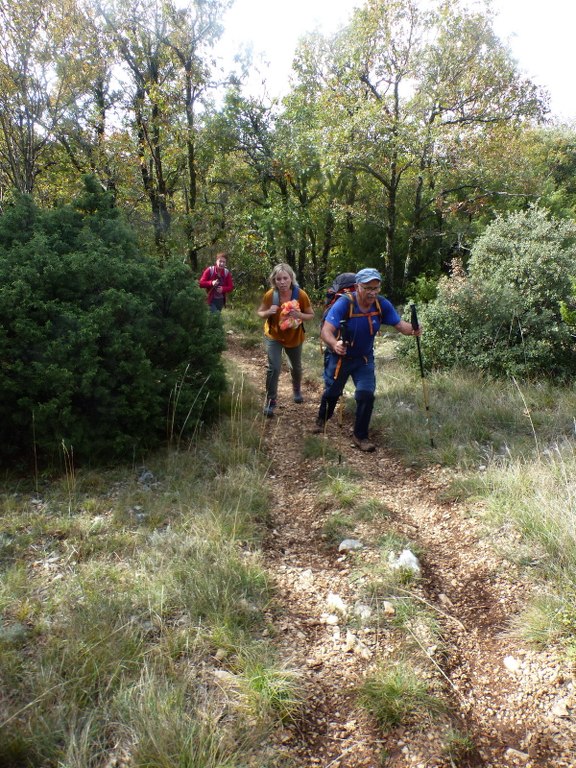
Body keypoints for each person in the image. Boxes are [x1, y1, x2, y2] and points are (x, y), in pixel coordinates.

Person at [312, 267, 421, 452]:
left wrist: (414, 329)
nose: (372, 292)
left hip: (364, 359)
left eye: (376, 288)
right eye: (368, 288)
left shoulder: (381, 304)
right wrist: (334, 343)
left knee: (366, 395)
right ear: (357, 286)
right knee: (332, 392)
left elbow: (401, 326)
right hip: (340, 357)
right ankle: (321, 420)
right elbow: (326, 331)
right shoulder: (344, 304)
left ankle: (360, 436)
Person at [257, 263, 315, 418]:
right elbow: (260, 312)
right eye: (278, 279)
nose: (282, 282)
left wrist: (300, 316)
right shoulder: (271, 295)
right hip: (273, 336)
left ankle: (296, 388)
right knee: (274, 367)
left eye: (285, 278)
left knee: (296, 368)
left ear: (291, 278)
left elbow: (311, 315)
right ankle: (271, 400)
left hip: (294, 337)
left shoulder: (301, 295)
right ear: (274, 281)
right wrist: (268, 312)